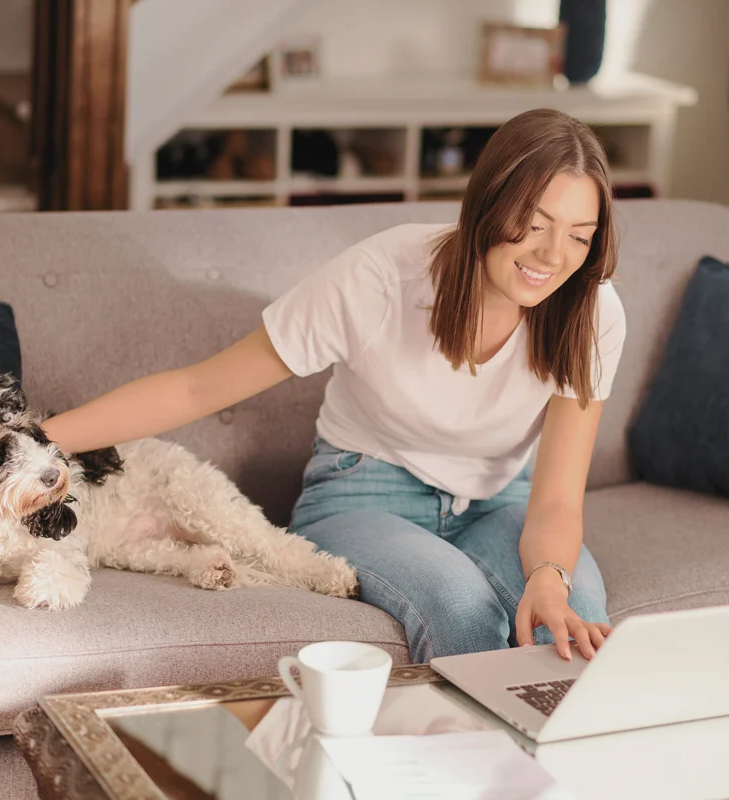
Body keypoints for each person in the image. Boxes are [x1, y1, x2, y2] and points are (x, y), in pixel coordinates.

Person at [42, 108, 626, 667]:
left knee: (575, 619)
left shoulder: (590, 312)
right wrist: (30, 440)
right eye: (535, 223)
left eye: (579, 235)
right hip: (364, 493)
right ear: (487, 203)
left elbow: (554, 500)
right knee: (463, 611)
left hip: (502, 499)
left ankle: (542, 771)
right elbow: (196, 389)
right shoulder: (380, 279)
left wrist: (549, 578)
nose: (553, 256)